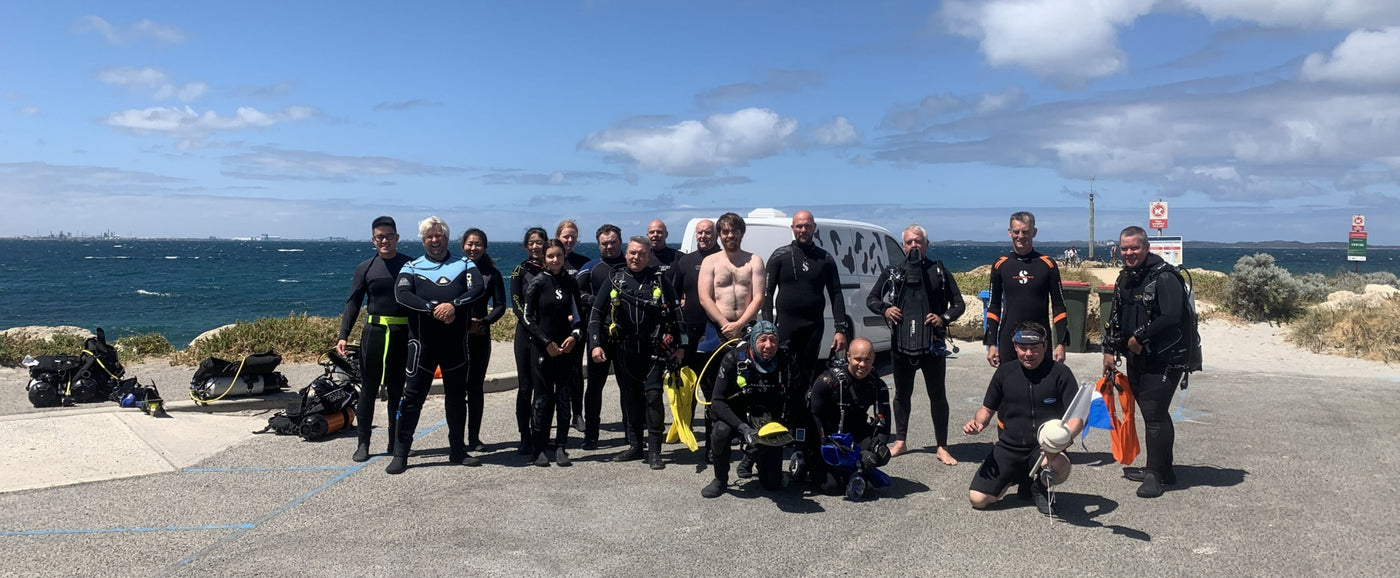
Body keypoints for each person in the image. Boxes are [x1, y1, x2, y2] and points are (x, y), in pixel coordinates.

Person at [386, 216, 488, 474]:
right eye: (429, 236)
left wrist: (454, 305)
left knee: (456, 398)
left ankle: (457, 450)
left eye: (439, 235)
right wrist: (433, 309)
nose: (434, 240)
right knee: (412, 399)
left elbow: (477, 288)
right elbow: (402, 294)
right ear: (423, 240)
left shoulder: (464, 264)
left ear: (446, 237)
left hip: (455, 345)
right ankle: (401, 453)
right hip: (423, 345)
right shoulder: (412, 266)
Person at [866, 224, 964, 463]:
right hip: (901, 344)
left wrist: (943, 318)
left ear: (926, 245)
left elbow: (958, 303)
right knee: (901, 394)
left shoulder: (938, 270)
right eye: (909, 242)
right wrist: (886, 310)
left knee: (937, 395)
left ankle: (941, 446)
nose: (913, 246)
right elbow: (872, 299)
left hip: (932, 345)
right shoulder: (893, 272)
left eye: (918, 241)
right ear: (903, 245)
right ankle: (901, 441)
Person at [1102, 226, 1188, 498]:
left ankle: (1154, 475)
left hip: (1165, 359)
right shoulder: (1126, 278)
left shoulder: (1164, 277)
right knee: (1155, 413)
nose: (1129, 253)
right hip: (1136, 357)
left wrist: (1140, 337)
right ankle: (1165, 469)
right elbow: (1115, 316)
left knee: (1154, 414)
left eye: (1135, 248)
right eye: (1125, 248)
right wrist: (1109, 350)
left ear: (1146, 247)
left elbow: (1172, 316)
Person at [963, 322, 1083, 514]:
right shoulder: (1004, 372)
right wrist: (978, 423)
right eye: (1023, 348)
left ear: (1045, 346)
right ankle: (1017, 477)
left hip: (1044, 448)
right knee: (978, 500)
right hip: (1009, 447)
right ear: (1015, 347)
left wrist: (1060, 442)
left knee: (1060, 466)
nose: (1028, 354)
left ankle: (1040, 485)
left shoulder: (1061, 373)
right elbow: (986, 409)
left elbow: (1077, 417)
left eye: (1035, 348)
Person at [588, 236, 686, 469]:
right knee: (630, 397)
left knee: (652, 398)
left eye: (642, 254)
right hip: (624, 349)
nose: (636, 257)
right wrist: (595, 344)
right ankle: (635, 445)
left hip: (653, 349)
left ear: (649, 255)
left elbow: (677, 314)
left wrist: (681, 346)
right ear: (626, 253)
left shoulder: (660, 281)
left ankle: (654, 450)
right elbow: (595, 313)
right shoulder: (615, 279)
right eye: (632, 253)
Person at [338, 216, 412, 463]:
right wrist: (343, 335)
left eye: (389, 236)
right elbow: (353, 304)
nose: (384, 241)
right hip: (374, 334)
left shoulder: (410, 265)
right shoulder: (366, 268)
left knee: (395, 391)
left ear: (397, 238)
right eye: (379, 237)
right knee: (368, 391)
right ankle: (363, 443)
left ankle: (394, 441)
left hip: (402, 335)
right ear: (373, 240)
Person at [701, 321, 795, 498]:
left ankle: (752, 456)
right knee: (720, 432)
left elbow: (796, 396)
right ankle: (720, 479)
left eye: (773, 340)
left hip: (768, 419)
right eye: (763, 340)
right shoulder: (734, 358)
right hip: (738, 417)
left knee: (772, 485)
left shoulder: (785, 359)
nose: (769, 345)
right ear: (752, 341)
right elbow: (717, 402)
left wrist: (788, 426)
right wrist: (743, 429)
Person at [522, 240, 585, 467]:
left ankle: (560, 447)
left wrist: (574, 337)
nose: (555, 260)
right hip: (542, 348)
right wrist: (546, 342)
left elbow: (579, 317)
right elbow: (527, 319)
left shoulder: (570, 282)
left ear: (564, 256)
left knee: (564, 398)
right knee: (542, 399)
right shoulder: (538, 283)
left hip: (566, 347)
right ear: (544, 258)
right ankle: (539, 448)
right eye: (550, 256)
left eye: (558, 255)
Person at [808, 338, 891, 497]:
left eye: (867, 359)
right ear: (848, 357)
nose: (862, 364)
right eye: (858, 359)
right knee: (830, 486)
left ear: (873, 358)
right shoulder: (828, 381)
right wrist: (823, 443)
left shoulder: (877, 385)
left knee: (882, 452)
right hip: (829, 436)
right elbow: (814, 415)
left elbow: (884, 425)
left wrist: (872, 455)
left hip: (855, 434)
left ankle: (857, 469)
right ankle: (826, 467)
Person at [985, 212, 1070, 368]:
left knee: (1043, 388)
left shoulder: (1047, 264)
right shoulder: (1000, 265)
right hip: (1009, 340)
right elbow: (994, 307)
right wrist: (991, 344)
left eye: (1025, 232)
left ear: (1034, 232)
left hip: (1040, 340)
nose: (1020, 236)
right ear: (1009, 232)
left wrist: (1061, 343)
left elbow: (1059, 306)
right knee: (1010, 388)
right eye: (1016, 232)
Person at [673, 219, 721, 461]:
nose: (703, 236)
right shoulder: (685, 261)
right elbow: (672, 295)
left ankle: (713, 445)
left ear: (716, 235)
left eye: (708, 232)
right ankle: (687, 434)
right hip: (688, 334)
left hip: (715, 333)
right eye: (700, 232)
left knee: (711, 391)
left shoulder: (724, 259)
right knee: (686, 388)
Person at [577, 224, 625, 450]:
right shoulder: (591, 267)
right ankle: (591, 435)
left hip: (627, 335)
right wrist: (596, 302)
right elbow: (575, 294)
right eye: (604, 243)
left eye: (613, 242)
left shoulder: (631, 265)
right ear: (598, 245)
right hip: (599, 334)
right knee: (595, 386)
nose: (609, 246)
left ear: (620, 241)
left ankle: (632, 434)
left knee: (629, 386)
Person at [461, 228, 507, 452]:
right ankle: (457, 437)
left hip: (479, 335)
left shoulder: (492, 273)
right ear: (463, 245)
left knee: (475, 388)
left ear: (485, 247)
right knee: (456, 388)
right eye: (470, 243)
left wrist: (483, 322)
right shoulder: (455, 269)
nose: (473, 248)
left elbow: (500, 306)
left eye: (478, 244)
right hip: (455, 336)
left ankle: (474, 437)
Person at [509, 227, 549, 456]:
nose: (536, 246)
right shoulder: (518, 271)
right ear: (526, 246)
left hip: (548, 337)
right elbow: (516, 305)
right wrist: (533, 328)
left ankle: (541, 435)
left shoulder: (553, 269)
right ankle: (525, 436)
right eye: (532, 243)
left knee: (544, 389)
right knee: (526, 388)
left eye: (540, 242)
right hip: (525, 336)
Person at [698, 212, 766, 342]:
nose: (730, 235)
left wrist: (739, 325)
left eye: (734, 231)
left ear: (742, 233)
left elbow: (759, 297)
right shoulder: (709, 261)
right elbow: (704, 298)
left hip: (747, 327)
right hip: (718, 327)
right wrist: (726, 326)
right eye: (725, 231)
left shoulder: (754, 261)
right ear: (719, 235)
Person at [556, 220, 590, 433]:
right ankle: (556, 412)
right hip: (554, 325)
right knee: (554, 371)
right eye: (565, 236)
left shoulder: (584, 262)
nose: (569, 240)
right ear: (558, 236)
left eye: (573, 237)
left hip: (576, 324)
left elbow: (584, 295)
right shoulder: (550, 260)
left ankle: (577, 414)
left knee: (576, 370)